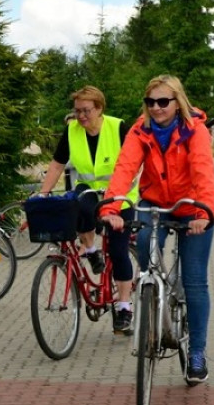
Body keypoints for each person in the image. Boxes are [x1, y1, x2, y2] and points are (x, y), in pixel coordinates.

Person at [99, 75, 214, 384]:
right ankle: (155, 287)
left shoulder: (195, 130)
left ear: (177, 101)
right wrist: (111, 208)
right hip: (154, 203)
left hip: (192, 206)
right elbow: (125, 168)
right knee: (143, 245)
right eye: (151, 102)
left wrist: (204, 210)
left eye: (163, 101)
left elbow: (203, 170)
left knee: (194, 282)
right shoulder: (141, 130)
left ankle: (197, 353)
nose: (156, 108)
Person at [37, 86, 138, 333]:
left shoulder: (117, 127)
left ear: (100, 108)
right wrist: (43, 194)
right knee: (79, 206)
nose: (81, 116)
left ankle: (124, 306)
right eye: (77, 111)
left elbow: (134, 163)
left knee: (118, 249)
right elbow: (57, 165)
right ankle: (92, 251)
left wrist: (116, 198)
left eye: (86, 111)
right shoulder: (72, 130)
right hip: (90, 190)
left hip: (121, 195)